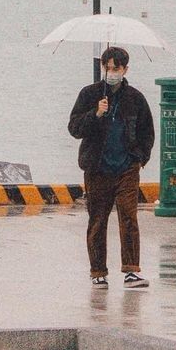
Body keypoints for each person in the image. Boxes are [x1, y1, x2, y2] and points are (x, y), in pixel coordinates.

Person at [67, 46, 154, 288]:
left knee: (129, 217)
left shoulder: (135, 98)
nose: (111, 72)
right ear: (102, 67)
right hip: (97, 168)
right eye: (107, 67)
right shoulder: (89, 94)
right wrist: (95, 114)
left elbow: (147, 131)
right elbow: (74, 128)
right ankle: (98, 272)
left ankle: (131, 270)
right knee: (97, 220)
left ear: (125, 69)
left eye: (116, 68)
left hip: (126, 168)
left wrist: (139, 158)